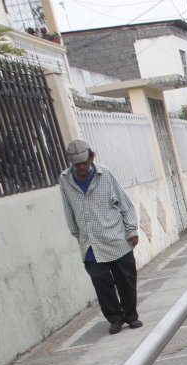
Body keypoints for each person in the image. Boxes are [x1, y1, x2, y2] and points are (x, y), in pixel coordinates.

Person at [59, 139, 142, 335]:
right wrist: (78, 235)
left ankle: (131, 316)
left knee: (126, 280)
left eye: (84, 162)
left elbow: (125, 204)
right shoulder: (65, 180)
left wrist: (131, 231)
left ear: (92, 158)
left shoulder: (105, 174)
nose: (81, 167)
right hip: (90, 244)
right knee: (101, 283)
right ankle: (115, 319)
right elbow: (67, 209)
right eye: (76, 164)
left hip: (116, 238)